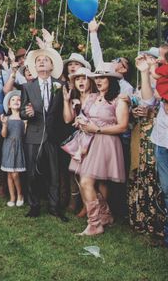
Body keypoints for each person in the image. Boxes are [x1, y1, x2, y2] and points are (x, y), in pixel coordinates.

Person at [67, 63, 129, 236]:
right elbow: (84, 115)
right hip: (89, 142)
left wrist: (98, 130)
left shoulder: (119, 99)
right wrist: (81, 121)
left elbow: (123, 126)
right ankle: (106, 215)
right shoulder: (93, 97)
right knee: (84, 179)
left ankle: (94, 224)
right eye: (97, 78)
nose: (98, 81)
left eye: (102, 77)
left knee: (87, 182)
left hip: (106, 142)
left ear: (111, 79)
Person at [20, 46, 68, 221]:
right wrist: (27, 113)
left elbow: (64, 111)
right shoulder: (27, 87)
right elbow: (22, 112)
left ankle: (54, 207)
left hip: (54, 136)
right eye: (38, 60)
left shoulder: (60, 85)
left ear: (51, 65)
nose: (41, 62)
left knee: (54, 173)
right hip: (33, 134)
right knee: (32, 173)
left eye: (45, 60)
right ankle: (34, 206)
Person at [128, 55, 166, 240]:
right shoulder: (151, 80)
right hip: (152, 138)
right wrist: (144, 72)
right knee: (154, 179)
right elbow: (148, 101)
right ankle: (154, 224)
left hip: (158, 135)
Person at [61, 67, 96, 216]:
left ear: (90, 80)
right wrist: (66, 101)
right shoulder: (74, 98)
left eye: (83, 78)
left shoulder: (96, 97)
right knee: (79, 174)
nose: (80, 81)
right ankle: (85, 206)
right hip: (80, 141)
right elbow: (68, 119)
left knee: (93, 176)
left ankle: (97, 209)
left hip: (94, 139)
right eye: (77, 79)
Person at [1, 90, 26, 207]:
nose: (16, 101)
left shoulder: (23, 119)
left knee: (15, 174)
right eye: (13, 100)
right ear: (9, 105)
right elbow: (4, 135)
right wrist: (5, 125)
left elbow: (24, 135)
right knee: (9, 174)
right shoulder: (6, 118)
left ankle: (20, 194)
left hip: (18, 147)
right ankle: (12, 197)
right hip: (8, 147)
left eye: (19, 99)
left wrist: (26, 124)